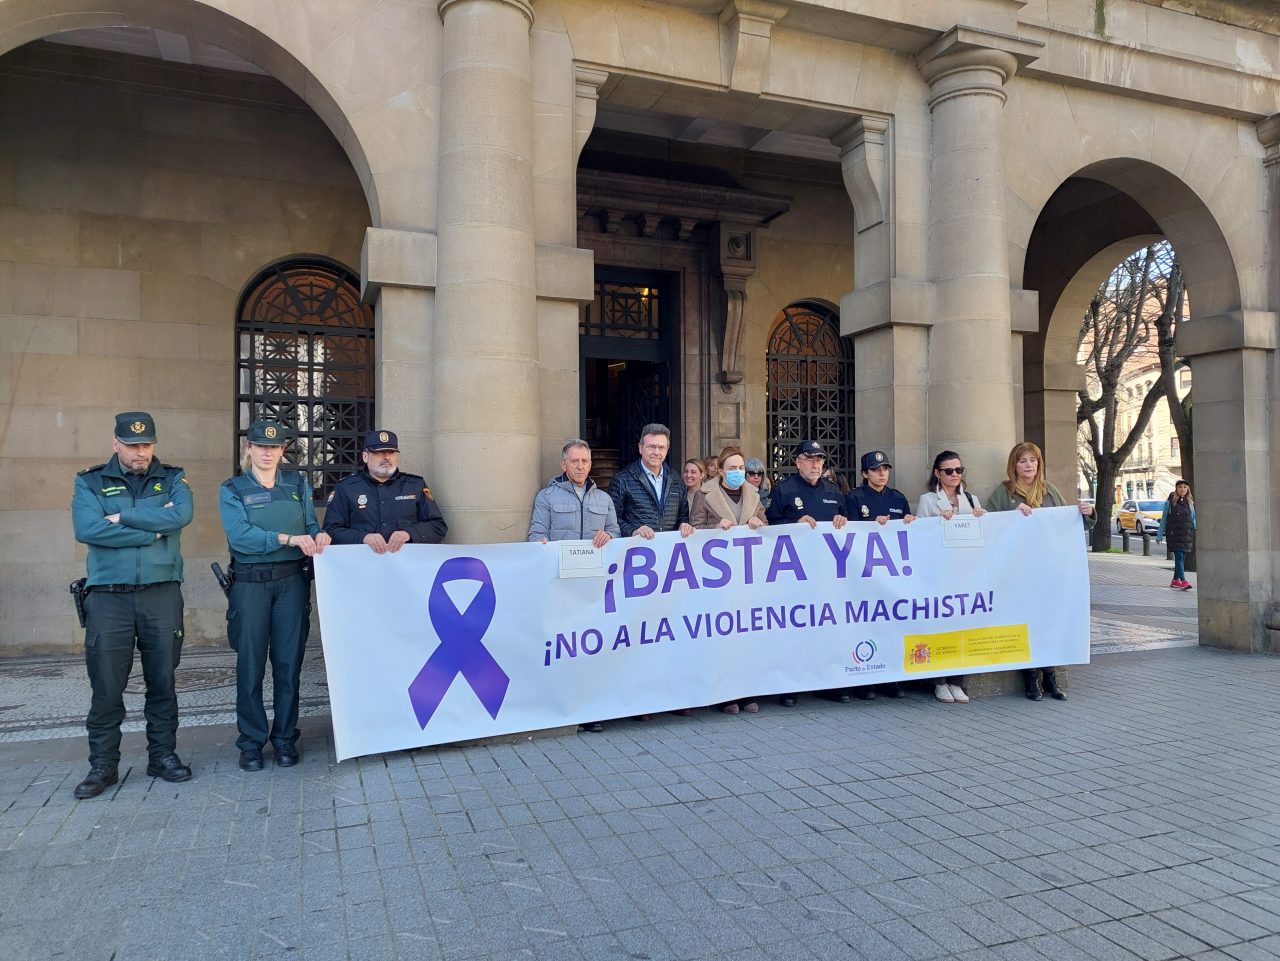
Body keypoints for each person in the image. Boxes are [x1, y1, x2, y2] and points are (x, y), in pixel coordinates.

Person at [70, 412, 194, 799]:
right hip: (108, 597)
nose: (140, 452)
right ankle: (103, 765)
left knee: (163, 682)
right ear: (115, 443)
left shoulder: (173, 477)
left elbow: (181, 515)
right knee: (106, 686)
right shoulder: (90, 480)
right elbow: (88, 529)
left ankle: (162, 756)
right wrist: (152, 532)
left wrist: (123, 517)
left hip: (161, 594)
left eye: (146, 445)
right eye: (132, 445)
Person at [219, 420, 331, 771]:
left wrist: (319, 535)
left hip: (290, 585)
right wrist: (287, 539)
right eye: (260, 446)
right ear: (248, 449)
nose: (268, 452)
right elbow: (240, 537)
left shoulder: (296, 485)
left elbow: (310, 524)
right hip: (250, 585)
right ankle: (251, 743)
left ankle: (284, 738)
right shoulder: (233, 489)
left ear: (282, 451)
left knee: (288, 665)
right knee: (250, 667)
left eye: (275, 447)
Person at [986, 441, 1094, 702]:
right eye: (1023, 461)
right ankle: (1031, 678)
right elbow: (989, 525)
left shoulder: (1050, 491)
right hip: (1019, 572)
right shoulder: (1003, 494)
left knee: (1049, 622)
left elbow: (1067, 526)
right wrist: (1012, 515)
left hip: (1049, 571)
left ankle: (1051, 677)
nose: (1028, 465)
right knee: (1026, 622)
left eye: (1033, 461)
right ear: (1014, 465)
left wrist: (1088, 514)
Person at [530, 440, 621, 732]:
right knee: (564, 647)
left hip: (593, 587)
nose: (580, 466)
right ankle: (561, 706)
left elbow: (616, 533)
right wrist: (541, 546)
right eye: (574, 461)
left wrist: (608, 537)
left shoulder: (604, 499)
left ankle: (590, 709)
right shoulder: (546, 497)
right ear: (563, 465)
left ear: (591, 464)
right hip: (562, 585)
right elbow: (536, 534)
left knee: (592, 648)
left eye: (584, 461)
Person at [765, 440, 847, 706]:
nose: (815, 464)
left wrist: (843, 522)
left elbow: (849, 525)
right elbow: (770, 526)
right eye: (809, 459)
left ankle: (828, 683)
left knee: (828, 629)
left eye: (819, 459)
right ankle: (791, 686)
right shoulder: (784, 490)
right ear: (798, 462)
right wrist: (793, 523)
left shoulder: (834, 491)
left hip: (828, 574)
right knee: (796, 630)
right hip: (794, 575)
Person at [690, 446, 766, 715]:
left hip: (746, 576)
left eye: (741, 468)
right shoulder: (704, 494)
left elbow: (767, 530)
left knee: (747, 636)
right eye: (732, 468)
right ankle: (725, 694)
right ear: (720, 470)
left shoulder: (753, 495)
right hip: (718, 577)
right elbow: (695, 529)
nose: (738, 473)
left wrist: (759, 524)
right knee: (723, 636)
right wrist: (714, 529)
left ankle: (747, 692)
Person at [914, 450, 986, 704]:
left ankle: (958, 681)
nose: (954, 475)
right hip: (939, 572)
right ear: (937, 473)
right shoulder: (928, 500)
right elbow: (920, 535)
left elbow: (982, 534)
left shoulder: (971, 499)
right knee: (940, 626)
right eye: (948, 471)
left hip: (966, 572)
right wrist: (939, 522)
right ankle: (939, 681)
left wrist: (982, 517)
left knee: (964, 626)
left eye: (958, 470)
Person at [846, 450, 916, 700]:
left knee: (891, 625)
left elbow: (908, 531)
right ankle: (865, 680)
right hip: (864, 573)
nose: (882, 473)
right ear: (865, 473)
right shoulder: (853, 498)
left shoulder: (898, 498)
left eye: (885, 468)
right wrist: (871, 525)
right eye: (876, 469)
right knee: (865, 624)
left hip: (892, 574)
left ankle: (891, 677)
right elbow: (847, 533)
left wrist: (910, 520)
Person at [322, 429, 447, 551]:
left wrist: (409, 533)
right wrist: (363, 537)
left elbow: (438, 526)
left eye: (391, 452)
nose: (387, 457)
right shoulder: (346, 488)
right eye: (380, 452)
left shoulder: (414, 485)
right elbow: (331, 530)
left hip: (406, 565)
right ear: (365, 457)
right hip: (362, 565)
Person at [609, 423, 694, 540]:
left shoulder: (676, 479)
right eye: (651, 447)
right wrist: (633, 531)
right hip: (637, 550)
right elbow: (612, 520)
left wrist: (684, 525)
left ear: (667, 449)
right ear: (640, 448)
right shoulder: (622, 479)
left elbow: (683, 516)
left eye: (661, 447)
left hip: (669, 550)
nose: (657, 452)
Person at [1158, 479, 1196, 591]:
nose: (1182, 489)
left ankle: (1175, 580)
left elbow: (1193, 519)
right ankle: (1183, 581)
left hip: (1186, 534)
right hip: (1174, 534)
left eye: (1185, 487)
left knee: (1182, 558)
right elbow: (1164, 519)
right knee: (1179, 556)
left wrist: (1194, 530)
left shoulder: (1190, 502)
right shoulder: (1170, 502)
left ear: (1188, 489)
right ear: (1176, 489)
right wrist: (1160, 534)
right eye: (1180, 487)